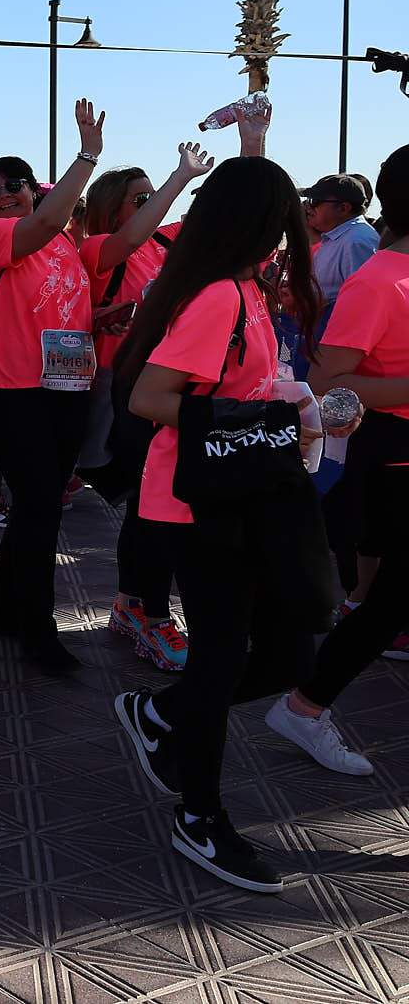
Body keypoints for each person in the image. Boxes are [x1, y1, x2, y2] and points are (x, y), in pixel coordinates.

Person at [111, 156, 325, 894]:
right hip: (196, 504)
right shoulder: (219, 298)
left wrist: (297, 407)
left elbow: (242, 387)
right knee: (221, 659)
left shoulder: (244, 291)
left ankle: (162, 713)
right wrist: (266, 414)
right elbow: (149, 396)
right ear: (267, 223)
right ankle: (199, 813)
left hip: (237, 498)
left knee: (286, 648)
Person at [265, 144, 409, 777]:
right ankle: (304, 703)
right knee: (392, 602)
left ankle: (305, 701)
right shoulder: (377, 279)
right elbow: (326, 380)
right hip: (395, 456)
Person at [0, 100, 105, 673]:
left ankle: (4, 609)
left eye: (15, 184)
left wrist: (103, 318)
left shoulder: (65, 246)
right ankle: (38, 628)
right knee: (41, 506)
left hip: (67, 388)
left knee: (36, 506)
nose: (5, 194)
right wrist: (88, 154)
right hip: (12, 391)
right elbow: (46, 219)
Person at [76, 146, 215, 671]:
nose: (152, 202)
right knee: (156, 503)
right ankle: (150, 613)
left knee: (149, 504)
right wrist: (179, 176)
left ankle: (133, 603)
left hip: (169, 381)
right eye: (142, 196)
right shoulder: (99, 247)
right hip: (126, 387)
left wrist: (251, 144)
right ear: (114, 209)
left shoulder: (164, 241)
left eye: (152, 193)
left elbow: (219, 227)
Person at [302, 174, 379, 310]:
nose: (308, 207)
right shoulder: (340, 236)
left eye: (315, 201)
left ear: (343, 208)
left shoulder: (356, 242)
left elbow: (361, 303)